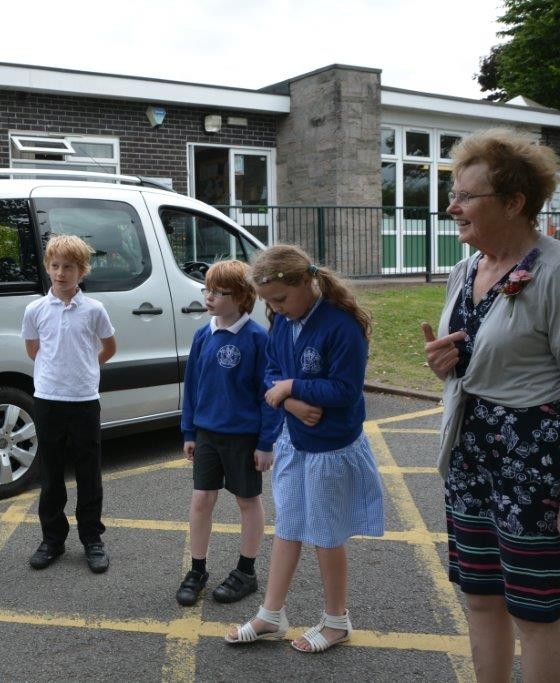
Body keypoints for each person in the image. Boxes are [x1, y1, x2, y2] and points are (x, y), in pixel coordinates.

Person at [422, 128, 560, 682]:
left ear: (514, 202)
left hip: (537, 465)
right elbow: (473, 355)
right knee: (481, 596)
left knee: (537, 612)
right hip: (470, 453)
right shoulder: (465, 270)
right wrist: (443, 363)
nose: (452, 206)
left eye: (465, 196)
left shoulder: (552, 272)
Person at [226, 244, 384, 653]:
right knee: (290, 526)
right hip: (295, 440)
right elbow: (272, 373)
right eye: (268, 303)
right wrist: (290, 398)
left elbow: (346, 390)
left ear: (307, 282)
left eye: (280, 299)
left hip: (330, 447)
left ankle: (337, 621)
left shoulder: (341, 325)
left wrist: (292, 388)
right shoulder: (282, 321)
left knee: (327, 535)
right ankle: (271, 614)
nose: (275, 309)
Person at [176, 260, 280, 607]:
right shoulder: (203, 334)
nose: (209, 297)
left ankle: (246, 571)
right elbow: (192, 385)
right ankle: (198, 568)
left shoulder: (256, 338)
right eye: (207, 289)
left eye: (218, 292)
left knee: (247, 501)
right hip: (207, 434)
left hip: (243, 437)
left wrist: (265, 443)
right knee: (201, 500)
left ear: (241, 297)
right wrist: (189, 430)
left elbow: (269, 394)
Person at [21, 234, 117, 573]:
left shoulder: (94, 310)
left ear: (82, 271)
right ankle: (52, 539)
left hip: (83, 400)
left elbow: (109, 347)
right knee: (50, 473)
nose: (61, 273)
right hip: (48, 399)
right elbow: (34, 350)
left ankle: (92, 538)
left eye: (69, 267)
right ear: (48, 268)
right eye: (56, 266)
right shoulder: (35, 310)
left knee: (89, 473)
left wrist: (87, 369)